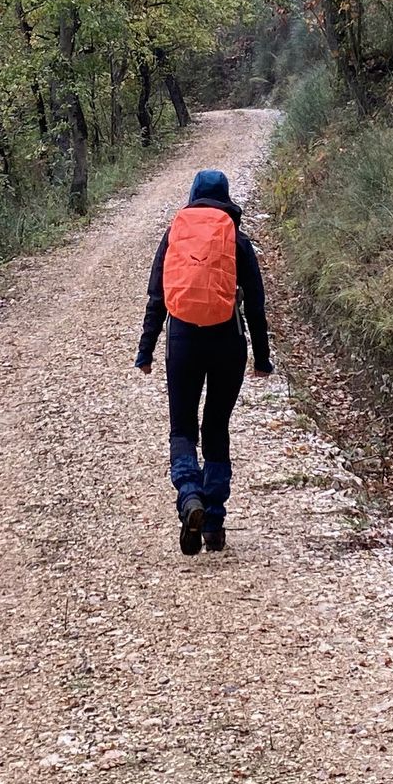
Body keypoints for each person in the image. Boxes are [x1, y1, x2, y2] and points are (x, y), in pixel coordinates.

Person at [135, 168, 273, 555]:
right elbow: (257, 306)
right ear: (226, 198)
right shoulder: (237, 239)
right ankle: (212, 521)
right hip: (228, 340)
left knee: (182, 428)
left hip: (183, 339)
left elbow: (157, 298)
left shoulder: (175, 235)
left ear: (193, 195)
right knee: (216, 426)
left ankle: (189, 495)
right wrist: (262, 358)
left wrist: (145, 350)